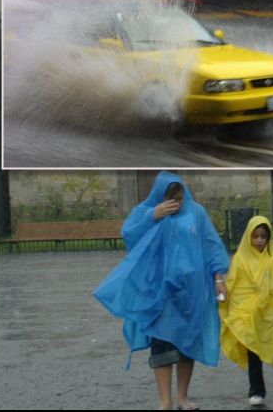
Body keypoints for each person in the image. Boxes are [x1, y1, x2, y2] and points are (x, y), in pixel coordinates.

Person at [94, 171, 229, 411]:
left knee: (188, 343)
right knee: (162, 342)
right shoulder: (145, 211)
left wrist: (218, 278)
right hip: (159, 292)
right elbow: (129, 237)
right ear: (160, 195)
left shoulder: (196, 212)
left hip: (192, 292)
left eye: (179, 197)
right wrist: (152, 216)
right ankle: (165, 400)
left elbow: (211, 245)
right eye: (171, 197)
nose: (176, 202)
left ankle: (182, 397)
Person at [219, 216, 273, 408]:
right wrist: (225, 299)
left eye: (263, 236)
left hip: (270, 313)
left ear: (269, 237)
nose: (259, 241)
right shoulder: (240, 258)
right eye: (255, 236)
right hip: (249, 315)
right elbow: (236, 285)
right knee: (253, 351)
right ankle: (256, 391)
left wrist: (271, 297)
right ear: (248, 237)